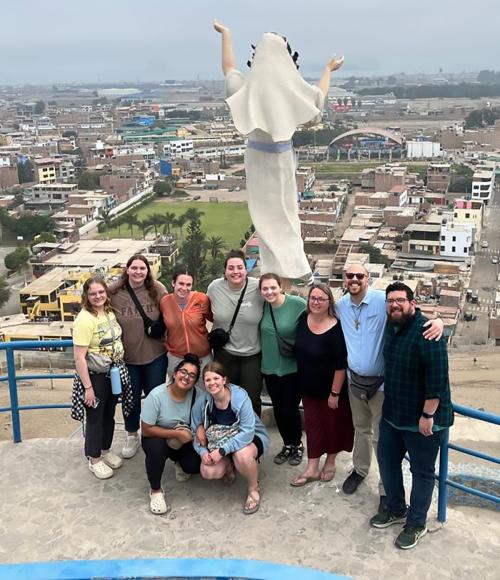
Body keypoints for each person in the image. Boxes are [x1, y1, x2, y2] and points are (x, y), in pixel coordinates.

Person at [213, 20, 343, 282]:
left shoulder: (245, 87)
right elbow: (319, 97)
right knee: (286, 214)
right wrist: (328, 69)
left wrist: (226, 34)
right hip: (282, 158)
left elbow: (228, 67)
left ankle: (278, 269)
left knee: (264, 217)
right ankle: (295, 268)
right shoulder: (293, 89)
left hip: (257, 157)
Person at [335, 264, 443, 507]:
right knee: (360, 429)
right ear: (344, 279)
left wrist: (438, 321)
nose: (354, 279)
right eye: (349, 275)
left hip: (382, 386)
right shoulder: (341, 305)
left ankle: (386, 489)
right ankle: (360, 470)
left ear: (368, 278)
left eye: (359, 275)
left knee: (381, 438)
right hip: (355, 381)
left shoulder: (380, 301)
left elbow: (407, 311)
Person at [369, 282, 453, 550]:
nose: (395, 304)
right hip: (393, 414)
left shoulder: (427, 332)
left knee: (422, 472)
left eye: (400, 300)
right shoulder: (393, 327)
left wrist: (428, 415)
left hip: (423, 420)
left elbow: (436, 380)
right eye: (390, 300)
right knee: (386, 461)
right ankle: (396, 509)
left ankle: (417, 523)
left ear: (412, 303)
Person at [291, 284, 354, 487]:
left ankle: (331, 460)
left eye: (321, 299)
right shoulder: (302, 319)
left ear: (329, 303)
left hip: (331, 390)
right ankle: (311, 467)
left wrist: (334, 393)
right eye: (313, 298)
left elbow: (340, 365)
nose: (316, 302)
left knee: (332, 426)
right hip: (307, 387)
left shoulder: (336, 328)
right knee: (313, 427)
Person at [72, 277, 132, 480]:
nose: (97, 296)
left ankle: (105, 449)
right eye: (92, 293)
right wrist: (88, 388)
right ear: (86, 296)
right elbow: (79, 357)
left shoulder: (109, 312)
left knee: (109, 414)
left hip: (112, 372)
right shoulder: (84, 319)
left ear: (106, 293)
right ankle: (94, 457)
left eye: (101, 292)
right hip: (95, 376)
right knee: (95, 417)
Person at [191, 361, 270, 515]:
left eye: (216, 378)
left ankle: (253, 488)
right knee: (207, 471)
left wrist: (221, 451)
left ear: (224, 379)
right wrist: (202, 452)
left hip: (248, 438)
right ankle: (228, 466)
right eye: (208, 380)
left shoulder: (240, 397)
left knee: (242, 456)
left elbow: (247, 431)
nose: (212, 383)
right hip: (220, 441)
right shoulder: (203, 401)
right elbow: (195, 428)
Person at [109, 254, 168, 460]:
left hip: (156, 356)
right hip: (128, 358)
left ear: (148, 271)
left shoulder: (158, 289)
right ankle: (132, 434)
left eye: (142, 268)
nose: (138, 272)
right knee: (130, 400)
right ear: (127, 269)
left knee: (155, 398)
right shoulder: (114, 291)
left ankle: (153, 435)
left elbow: (170, 313)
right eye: (134, 268)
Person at [140, 353, 202, 515]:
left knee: (194, 465)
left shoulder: (198, 395)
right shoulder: (157, 395)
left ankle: (179, 463)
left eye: (192, 375)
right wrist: (174, 434)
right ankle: (155, 491)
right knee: (156, 447)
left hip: (185, 440)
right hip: (158, 437)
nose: (186, 377)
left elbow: (203, 421)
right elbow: (146, 429)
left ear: (195, 382)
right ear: (174, 373)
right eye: (183, 372)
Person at [207, 249, 264, 415]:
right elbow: (205, 312)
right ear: (225, 271)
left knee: (251, 399)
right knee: (223, 396)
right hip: (225, 353)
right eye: (231, 268)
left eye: (239, 267)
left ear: (246, 269)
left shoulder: (257, 287)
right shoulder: (214, 288)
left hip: (252, 354)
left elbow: (276, 300)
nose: (235, 272)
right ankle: (226, 434)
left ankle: (253, 437)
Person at [259, 273, 306, 466]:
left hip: (292, 368)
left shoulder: (298, 304)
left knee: (290, 408)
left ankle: (297, 444)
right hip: (269, 367)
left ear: (280, 287)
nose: (269, 292)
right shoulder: (262, 307)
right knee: (278, 408)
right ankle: (287, 444)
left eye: (273, 288)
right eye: (265, 289)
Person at [159, 265, 213, 387]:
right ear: (173, 283)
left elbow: (216, 318)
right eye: (181, 283)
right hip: (177, 357)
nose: (184, 288)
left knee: (203, 395)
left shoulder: (201, 299)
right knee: (178, 394)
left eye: (188, 285)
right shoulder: (164, 302)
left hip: (202, 357)